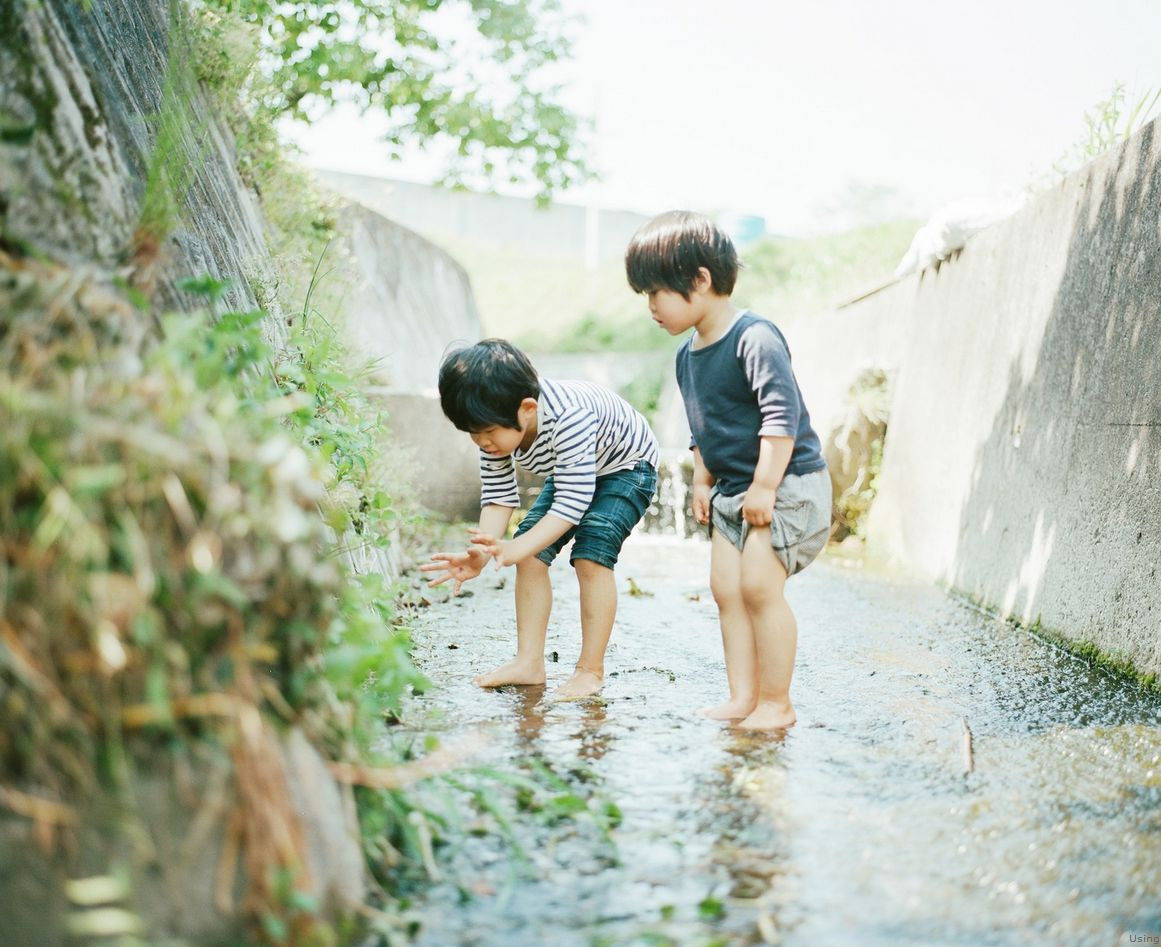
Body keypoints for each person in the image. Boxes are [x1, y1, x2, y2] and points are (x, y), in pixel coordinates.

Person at [624, 211, 831, 730]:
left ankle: (777, 704)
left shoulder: (754, 338)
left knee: (760, 587)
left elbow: (781, 418)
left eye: (657, 291)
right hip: (732, 491)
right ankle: (743, 698)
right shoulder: (686, 356)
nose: (651, 305)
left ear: (700, 279)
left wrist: (764, 485)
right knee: (726, 589)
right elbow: (703, 425)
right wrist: (701, 478)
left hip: (785, 484)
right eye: (644, 294)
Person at [421, 339, 659, 700]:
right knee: (531, 554)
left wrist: (515, 547)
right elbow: (499, 497)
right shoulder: (497, 430)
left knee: (591, 555)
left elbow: (573, 501)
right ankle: (529, 662)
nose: (482, 442)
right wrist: (481, 554)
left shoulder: (568, 417)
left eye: (487, 432)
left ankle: (589, 671)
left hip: (627, 466)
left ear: (527, 408)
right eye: (473, 433)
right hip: (576, 471)